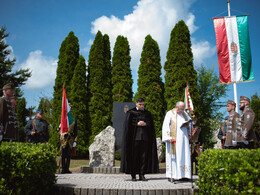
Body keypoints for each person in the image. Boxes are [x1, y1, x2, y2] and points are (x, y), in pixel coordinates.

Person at [120, 97, 159, 181]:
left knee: (144, 157)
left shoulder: (147, 113)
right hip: (134, 139)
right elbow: (128, 126)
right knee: (134, 157)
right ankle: (133, 175)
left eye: (143, 104)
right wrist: (137, 124)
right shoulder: (131, 112)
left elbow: (151, 125)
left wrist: (145, 123)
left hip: (145, 138)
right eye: (140, 104)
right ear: (136, 103)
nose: (142, 106)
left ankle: (142, 174)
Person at [162, 101, 192, 182]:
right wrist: (167, 136)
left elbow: (190, 124)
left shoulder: (185, 115)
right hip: (174, 139)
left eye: (183, 109)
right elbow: (165, 125)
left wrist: (188, 125)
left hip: (184, 139)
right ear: (176, 107)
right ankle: (172, 175)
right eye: (181, 109)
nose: (182, 111)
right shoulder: (170, 114)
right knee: (174, 157)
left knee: (184, 155)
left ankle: (185, 175)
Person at [60, 103, 78, 174]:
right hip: (64, 138)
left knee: (68, 154)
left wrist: (75, 141)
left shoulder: (73, 120)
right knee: (63, 155)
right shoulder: (62, 119)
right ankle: (63, 169)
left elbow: (76, 131)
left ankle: (67, 168)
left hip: (70, 139)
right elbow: (58, 128)